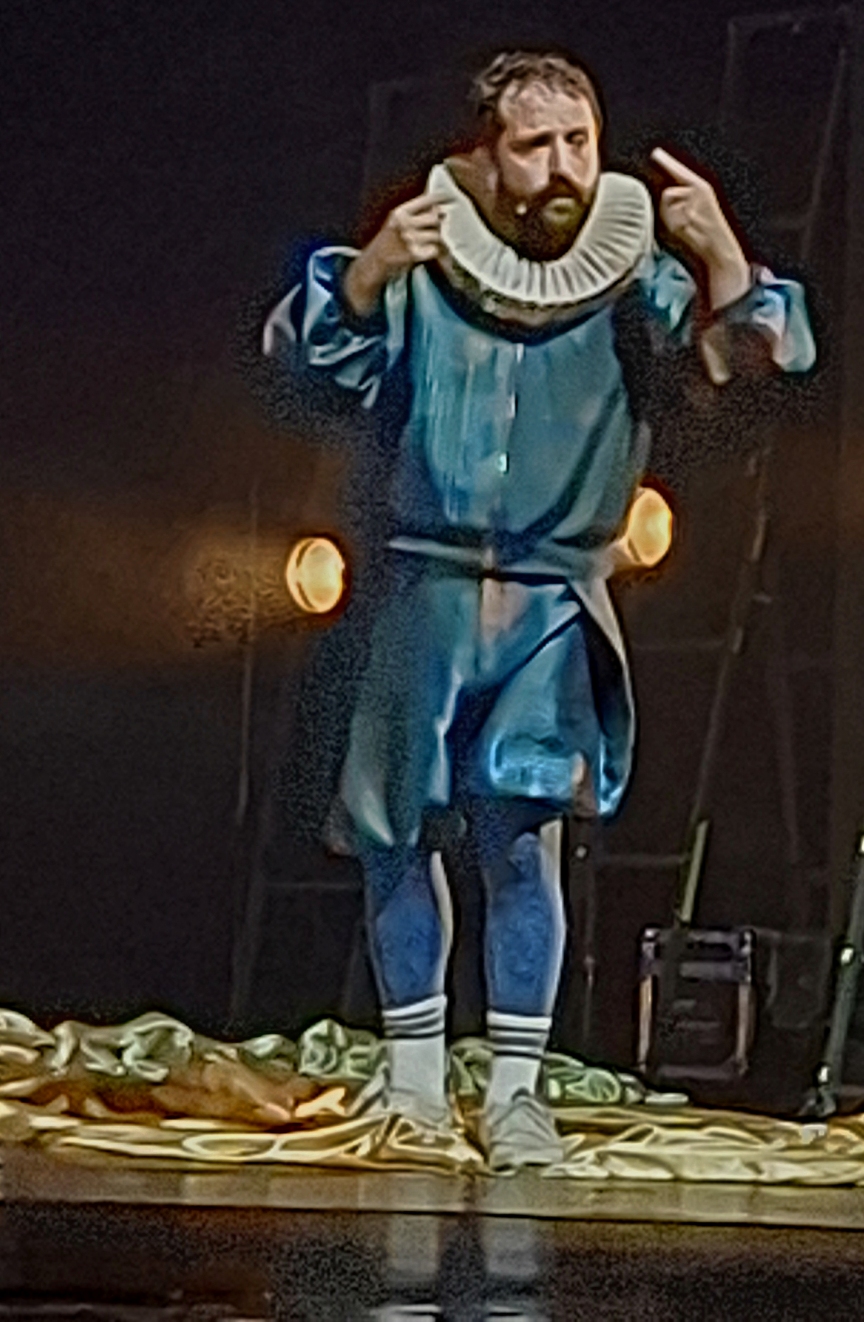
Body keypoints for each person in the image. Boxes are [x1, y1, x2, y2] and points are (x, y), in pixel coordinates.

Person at [263, 50, 815, 1170]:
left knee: (524, 838)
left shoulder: (634, 272)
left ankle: (517, 1091)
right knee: (397, 836)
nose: (562, 166)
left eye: (578, 142)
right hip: (422, 590)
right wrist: (370, 274)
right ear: (483, 156)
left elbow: (747, 361)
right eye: (534, 145)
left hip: (551, 597)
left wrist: (718, 253)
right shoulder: (422, 258)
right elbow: (308, 367)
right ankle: (415, 1081)